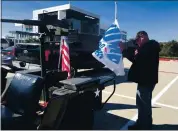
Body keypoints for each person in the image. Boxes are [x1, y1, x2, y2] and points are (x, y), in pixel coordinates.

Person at [121, 31, 161, 130]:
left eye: (139, 39)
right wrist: (128, 51)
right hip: (145, 80)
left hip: (146, 80)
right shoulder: (146, 47)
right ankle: (143, 124)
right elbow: (136, 59)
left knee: (143, 105)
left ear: (144, 36)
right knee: (142, 104)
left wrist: (125, 50)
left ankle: (144, 126)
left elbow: (139, 57)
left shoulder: (151, 45)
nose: (137, 42)